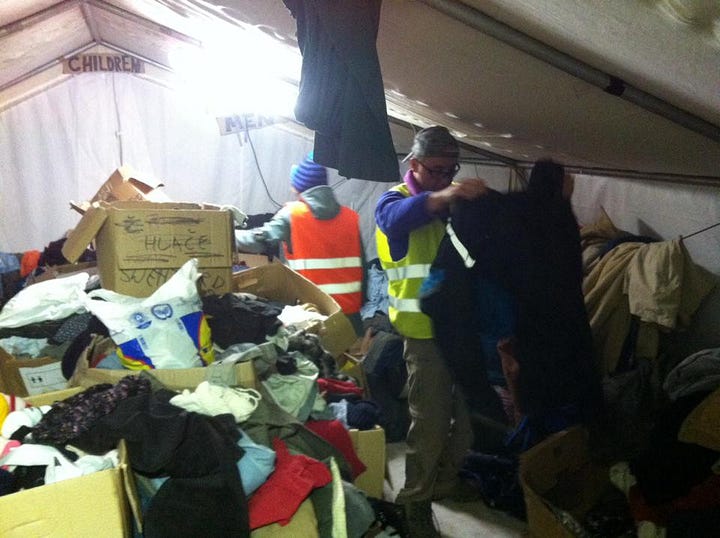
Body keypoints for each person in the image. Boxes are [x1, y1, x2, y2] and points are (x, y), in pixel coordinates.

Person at [374, 126, 492, 537]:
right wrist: (447, 195)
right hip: (423, 332)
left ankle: (444, 481)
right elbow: (394, 220)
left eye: (451, 171)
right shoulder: (395, 202)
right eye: (436, 170)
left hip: (461, 330)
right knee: (430, 421)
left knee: (469, 416)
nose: (444, 177)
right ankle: (415, 501)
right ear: (414, 165)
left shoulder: (450, 204)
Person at [235, 154, 364, 333]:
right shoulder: (351, 218)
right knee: (350, 361)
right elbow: (363, 272)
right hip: (350, 319)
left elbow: (257, 242)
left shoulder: (293, 214)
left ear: (299, 186)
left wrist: (224, 232)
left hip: (313, 317)